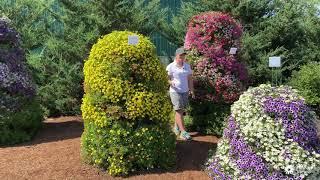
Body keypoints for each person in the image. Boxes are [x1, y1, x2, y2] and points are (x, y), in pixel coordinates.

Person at [166, 47, 195, 140]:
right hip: (175, 91)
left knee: (181, 110)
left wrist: (192, 90)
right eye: (180, 56)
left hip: (185, 91)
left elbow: (190, 78)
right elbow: (167, 78)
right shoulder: (170, 66)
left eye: (183, 56)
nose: (182, 57)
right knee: (178, 110)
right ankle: (183, 132)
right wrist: (171, 82)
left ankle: (176, 127)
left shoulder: (187, 66)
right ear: (176, 56)